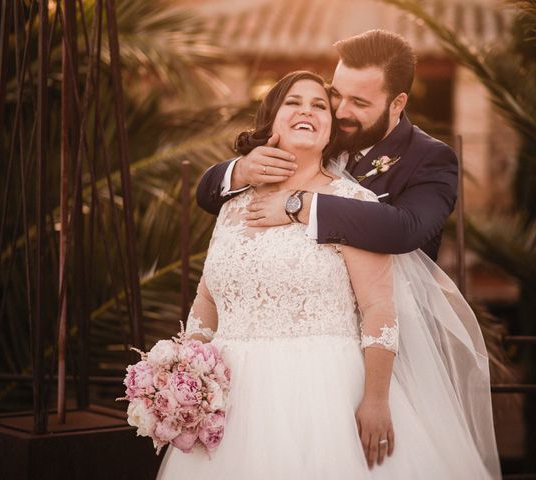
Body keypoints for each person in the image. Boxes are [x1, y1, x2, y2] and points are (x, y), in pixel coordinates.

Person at [156, 71, 500, 479]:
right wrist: (186, 373)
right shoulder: (234, 203)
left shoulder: (352, 202)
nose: (307, 110)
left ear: (330, 129)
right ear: (272, 121)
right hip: (231, 403)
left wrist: (375, 399)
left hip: (324, 395)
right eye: (293, 102)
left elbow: (378, 308)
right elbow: (207, 299)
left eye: (319, 105)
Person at [196, 29, 458, 260]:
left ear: (397, 103)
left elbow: (405, 230)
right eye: (336, 94)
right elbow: (207, 197)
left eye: (359, 102)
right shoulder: (322, 131)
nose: (341, 111)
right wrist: (242, 170)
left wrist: (298, 204)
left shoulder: (431, 158)